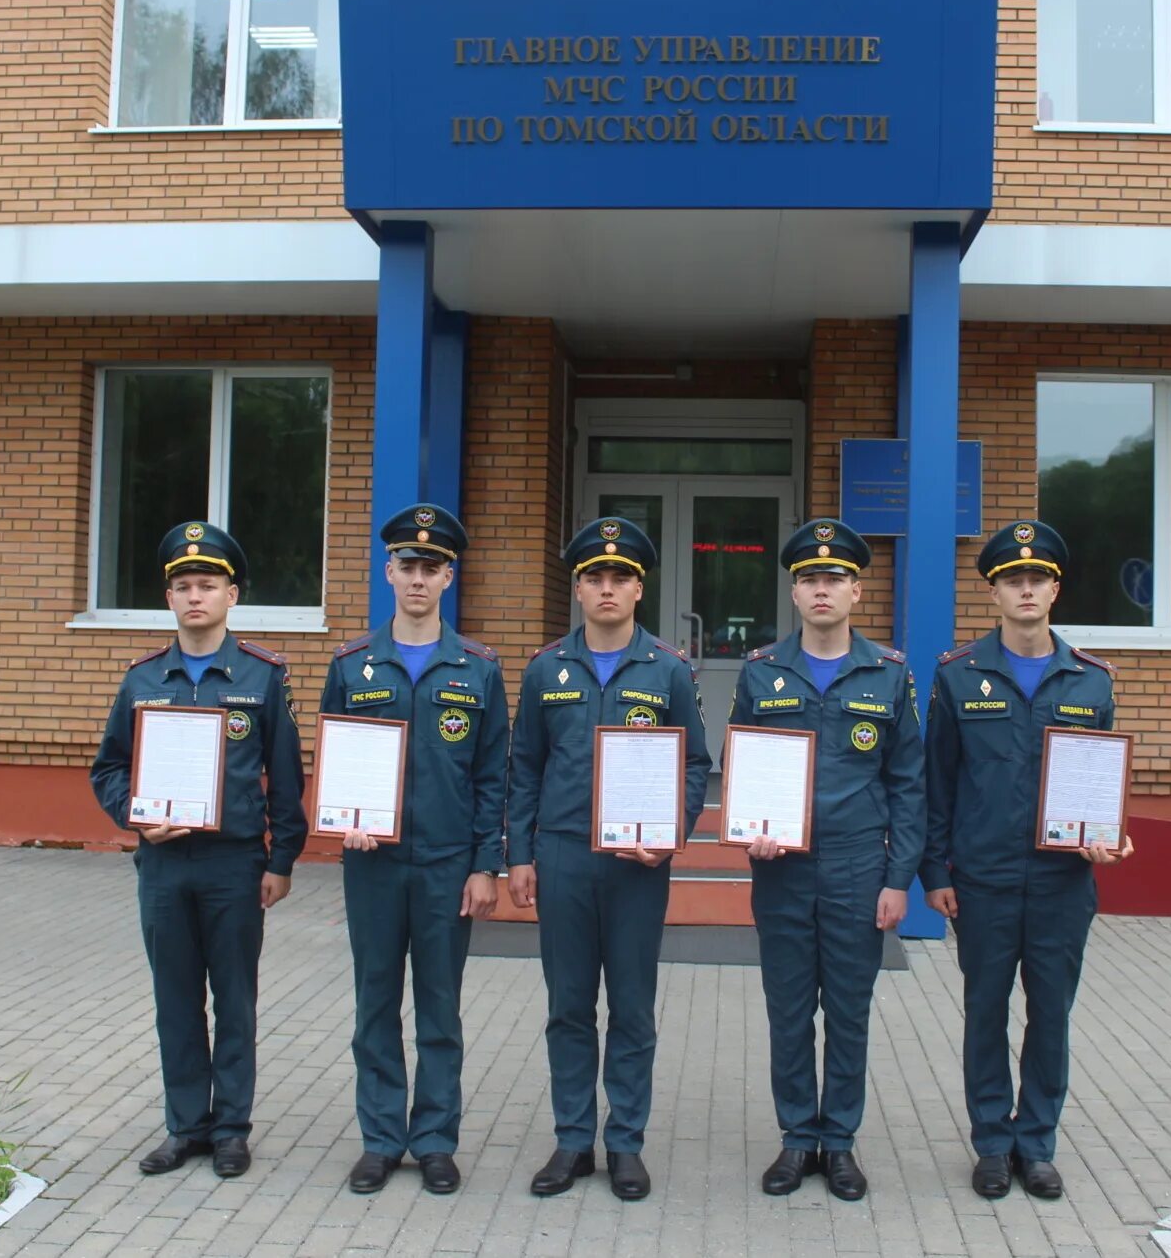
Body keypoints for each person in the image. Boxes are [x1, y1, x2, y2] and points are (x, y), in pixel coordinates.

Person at [920, 518, 1135, 1202]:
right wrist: (935, 872)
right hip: (981, 880)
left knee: (1051, 1014)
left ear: (1056, 589)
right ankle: (991, 1141)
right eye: (1013, 578)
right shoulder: (958, 676)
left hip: (1062, 882)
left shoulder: (1092, 680)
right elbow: (937, 781)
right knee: (985, 1011)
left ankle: (1035, 1143)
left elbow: (1104, 781)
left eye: (1037, 577)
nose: (1026, 588)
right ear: (995, 591)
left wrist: (1111, 833)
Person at [90, 521, 308, 1181]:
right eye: (182, 586)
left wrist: (281, 860)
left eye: (207, 584)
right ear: (169, 598)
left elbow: (287, 776)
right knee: (176, 999)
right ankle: (186, 1125)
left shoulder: (262, 677)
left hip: (233, 864)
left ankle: (233, 1128)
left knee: (234, 998)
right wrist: (136, 815)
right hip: (162, 863)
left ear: (231, 594)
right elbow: (108, 768)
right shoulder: (142, 679)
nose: (194, 596)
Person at [505, 516, 711, 1201]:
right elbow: (525, 766)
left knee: (631, 1007)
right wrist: (520, 854)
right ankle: (572, 1139)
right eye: (594, 575)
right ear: (578, 586)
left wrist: (670, 834)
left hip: (636, 864)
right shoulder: (545, 669)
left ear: (639, 588)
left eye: (619, 576)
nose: (606, 587)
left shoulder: (669, 670)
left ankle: (625, 1141)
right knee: (568, 1005)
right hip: (562, 855)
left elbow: (695, 765)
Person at [731, 518, 925, 1202]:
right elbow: (742, 766)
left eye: (834, 578)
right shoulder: (762, 674)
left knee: (847, 1009)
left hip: (854, 866)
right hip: (781, 865)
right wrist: (748, 827)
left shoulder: (888, 674)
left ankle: (838, 1141)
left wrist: (899, 878)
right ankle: (795, 1138)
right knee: (788, 1009)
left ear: (856, 590)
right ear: (794, 591)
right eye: (810, 578)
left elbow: (909, 784)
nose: (822, 589)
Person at [321, 503, 508, 1196]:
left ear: (449, 576)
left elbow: (494, 775)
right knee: (374, 1002)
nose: (419, 578)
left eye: (432, 567)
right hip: (372, 862)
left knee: (438, 1005)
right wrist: (346, 819)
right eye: (408, 565)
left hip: (444, 864)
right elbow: (335, 758)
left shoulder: (479, 669)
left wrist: (485, 862)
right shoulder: (352, 664)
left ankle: (433, 1138)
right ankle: (379, 1138)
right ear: (388, 571)